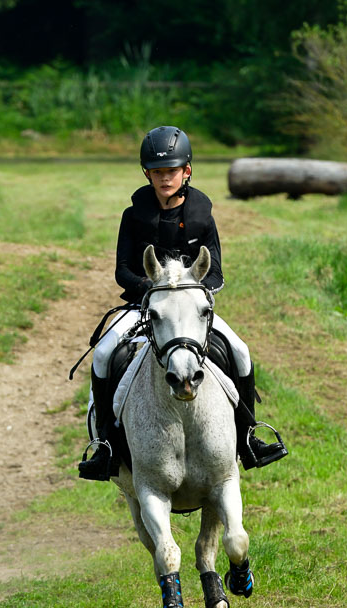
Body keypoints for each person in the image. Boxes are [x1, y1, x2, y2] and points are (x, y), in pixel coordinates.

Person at [79, 125, 287, 481]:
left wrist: (192, 293)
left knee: (240, 350)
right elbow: (122, 271)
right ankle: (106, 447)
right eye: (157, 172)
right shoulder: (132, 216)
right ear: (147, 173)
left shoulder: (202, 215)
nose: (164, 179)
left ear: (186, 171)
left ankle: (250, 437)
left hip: (191, 310)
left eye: (171, 171)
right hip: (143, 306)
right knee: (101, 355)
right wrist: (151, 289)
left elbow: (216, 271)